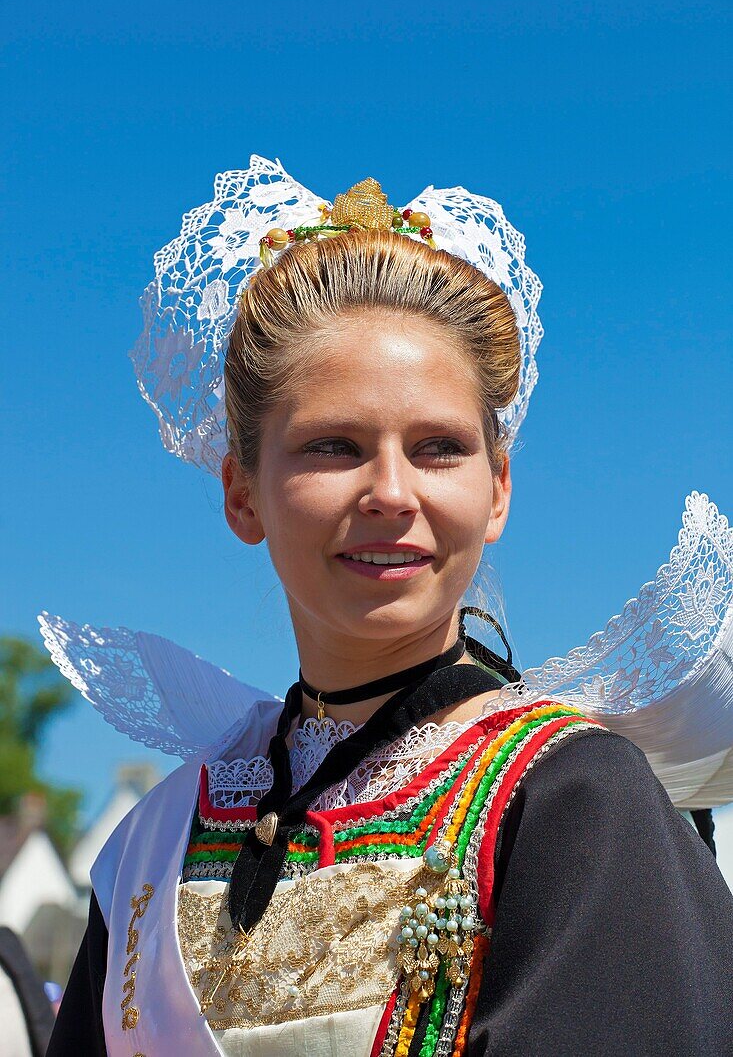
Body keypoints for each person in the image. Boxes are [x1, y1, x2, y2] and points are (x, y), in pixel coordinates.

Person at [47, 169, 733, 1055]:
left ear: (496, 492)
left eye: (438, 448)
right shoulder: (156, 842)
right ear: (241, 493)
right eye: (333, 446)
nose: (390, 493)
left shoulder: (569, 799)